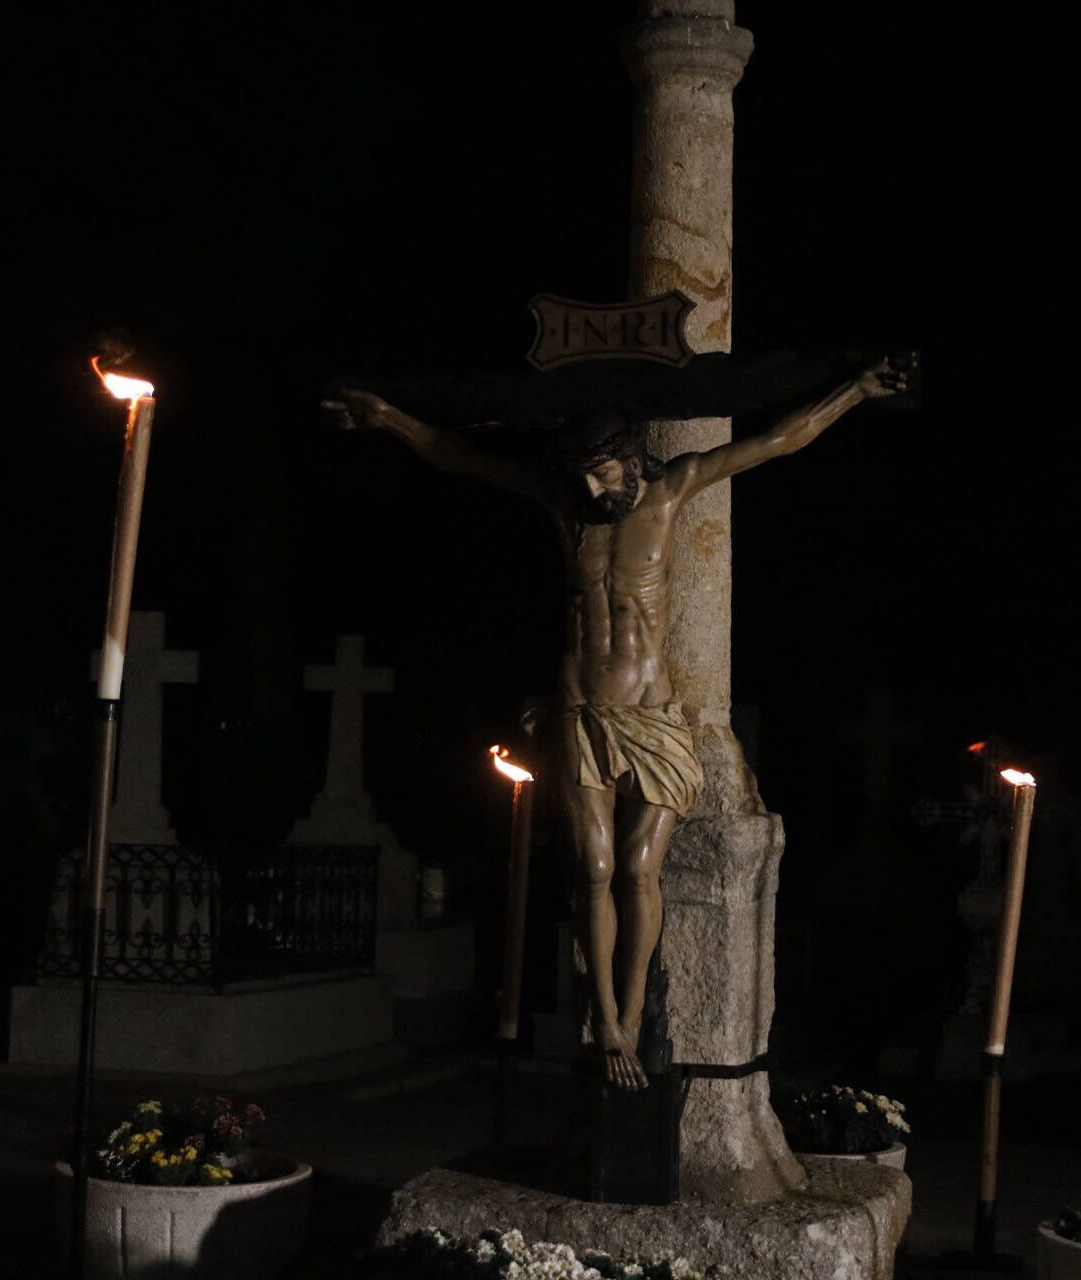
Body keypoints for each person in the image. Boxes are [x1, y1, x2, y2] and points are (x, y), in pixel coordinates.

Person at [324, 355, 911, 1088]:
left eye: (604, 472)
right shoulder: (563, 502)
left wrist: (854, 389)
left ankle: (632, 1010)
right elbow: (459, 455)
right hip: (579, 714)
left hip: (653, 718)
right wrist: (386, 417)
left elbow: (777, 441)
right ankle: (603, 1018)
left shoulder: (669, 492)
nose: (593, 488)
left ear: (633, 461)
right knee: (591, 869)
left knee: (639, 870)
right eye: (582, 475)